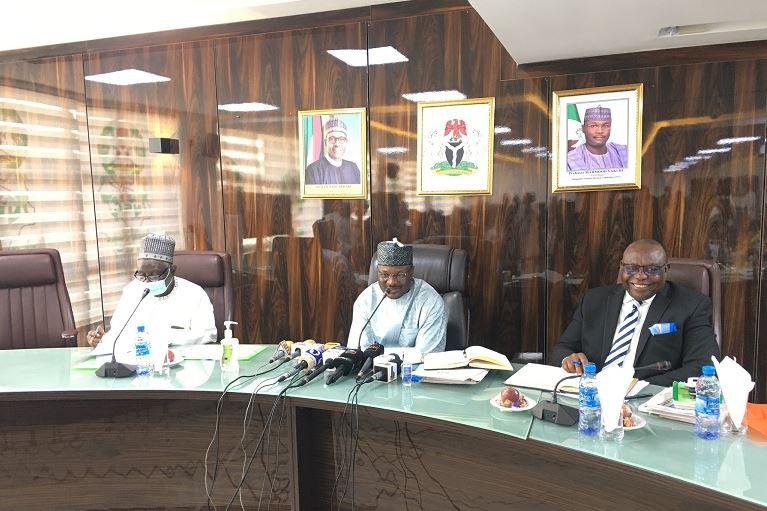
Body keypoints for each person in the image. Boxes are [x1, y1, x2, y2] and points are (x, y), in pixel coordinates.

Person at [551, 239, 720, 387]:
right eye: (631, 268)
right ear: (621, 268)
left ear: (666, 270)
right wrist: (568, 359)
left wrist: (639, 387)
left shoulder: (692, 305)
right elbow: (563, 348)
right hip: (589, 393)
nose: (640, 276)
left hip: (647, 400)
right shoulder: (595, 300)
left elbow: (703, 365)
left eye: (652, 269)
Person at [87, 233, 217, 350]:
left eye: (154, 275)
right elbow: (118, 331)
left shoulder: (194, 293)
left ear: (172, 271)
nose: (147, 282)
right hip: (139, 365)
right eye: (141, 274)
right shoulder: (132, 290)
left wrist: (166, 338)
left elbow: (207, 334)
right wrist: (103, 339)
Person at [347, 238, 447, 353]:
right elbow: (357, 350)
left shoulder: (430, 301)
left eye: (400, 275)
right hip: (372, 369)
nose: (392, 282)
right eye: (385, 275)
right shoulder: (365, 301)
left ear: (412, 272)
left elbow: (427, 355)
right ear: (377, 272)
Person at [566, 106, 628, 171]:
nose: (600, 131)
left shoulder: (624, 151)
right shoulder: (570, 159)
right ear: (583, 128)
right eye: (593, 126)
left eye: (606, 125)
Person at [305, 117, 362, 185]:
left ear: (346, 142)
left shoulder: (353, 168)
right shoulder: (313, 170)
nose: (337, 144)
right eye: (332, 139)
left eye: (341, 139)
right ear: (326, 142)